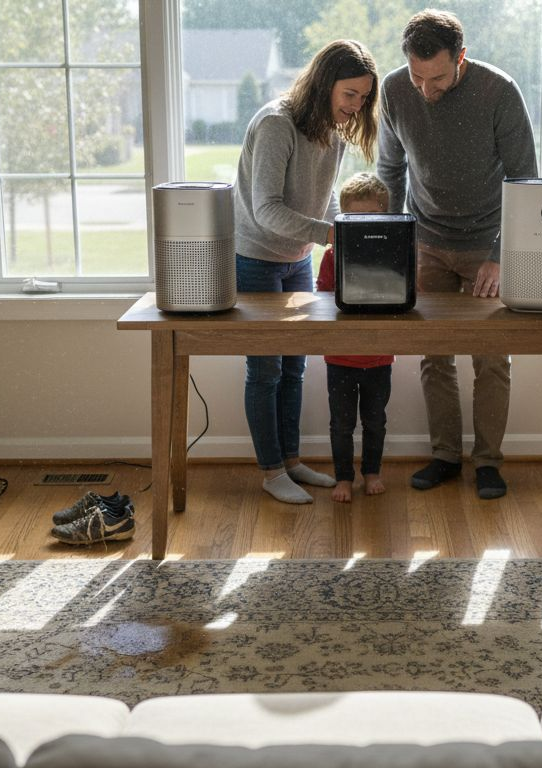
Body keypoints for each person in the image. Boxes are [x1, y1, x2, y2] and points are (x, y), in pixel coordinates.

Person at [376, 10, 538, 500]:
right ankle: (445, 455)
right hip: (426, 241)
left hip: (485, 243)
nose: (425, 88)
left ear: (461, 58)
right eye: (417, 76)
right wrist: (393, 242)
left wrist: (498, 255)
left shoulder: (499, 91)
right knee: (434, 355)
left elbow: (525, 180)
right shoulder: (394, 89)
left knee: (491, 359)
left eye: (438, 77)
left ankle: (487, 462)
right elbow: (389, 170)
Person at [234, 39, 380, 505]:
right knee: (266, 369)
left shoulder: (332, 133)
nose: (356, 107)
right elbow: (266, 210)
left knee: (295, 367)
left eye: (363, 98)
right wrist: (333, 234)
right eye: (350, 95)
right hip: (255, 259)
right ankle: (271, 470)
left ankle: (292, 461)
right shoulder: (277, 124)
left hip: (297, 260)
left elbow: (325, 198)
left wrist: (351, 226)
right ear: (325, 84)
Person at [315, 173, 394, 503]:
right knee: (342, 424)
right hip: (340, 358)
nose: (363, 226)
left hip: (379, 357)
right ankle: (343, 477)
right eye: (354, 219)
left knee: (375, 421)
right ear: (342, 219)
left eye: (371, 218)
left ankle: (372, 472)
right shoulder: (333, 256)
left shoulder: (392, 252)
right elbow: (321, 296)